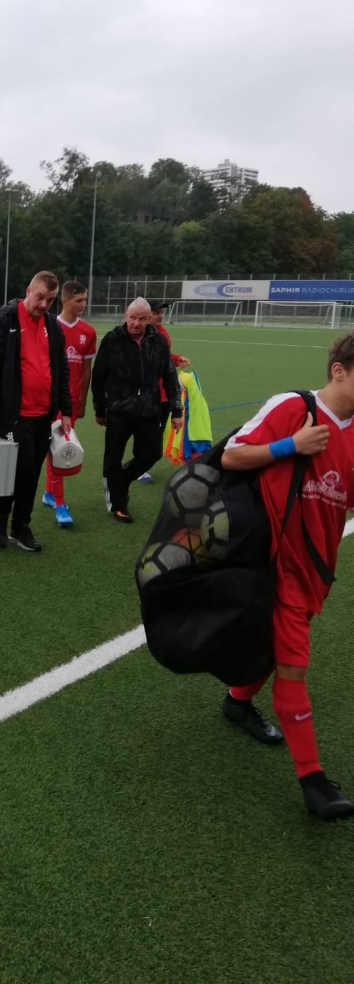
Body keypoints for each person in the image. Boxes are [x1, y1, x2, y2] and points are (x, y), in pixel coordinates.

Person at [219, 333, 354, 821]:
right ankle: (313, 782)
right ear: (339, 370)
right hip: (272, 562)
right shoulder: (295, 407)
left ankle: (237, 701)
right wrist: (290, 446)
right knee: (294, 664)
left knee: (275, 647)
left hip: (316, 569)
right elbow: (231, 456)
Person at [0, 271, 72, 552]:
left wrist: (66, 410)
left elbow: (62, 370)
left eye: (50, 300)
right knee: (21, 466)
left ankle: (20, 527)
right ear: (28, 290)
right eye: (40, 297)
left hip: (44, 414)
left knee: (31, 472)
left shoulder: (53, 326)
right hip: (13, 413)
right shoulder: (4, 320)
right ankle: (0, 515)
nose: (44, 304)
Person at [91, 297, 183, 523]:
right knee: (112, 458)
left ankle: (121, 481)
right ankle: (118, 504)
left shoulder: (158, 341)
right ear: (126, 316)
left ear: (148, 318)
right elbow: (99, 376)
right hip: (119, 410)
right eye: (133, 317)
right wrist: (100, 409)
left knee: (152, 454)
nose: (137, 323)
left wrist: (176, 410)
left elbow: (170, 376)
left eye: (142, 319)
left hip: (149, 410)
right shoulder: (112, 339)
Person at [41, 280, 97, 527]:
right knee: (59, 449)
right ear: (64, 301)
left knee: (57, 446)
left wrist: (82, 400)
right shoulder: (48, 326)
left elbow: (86, 370)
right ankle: (60, 504)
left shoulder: (88, 332)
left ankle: (49, 493)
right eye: (78, 300)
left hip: (71, 401)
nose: (83, 304)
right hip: (47, 400)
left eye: (85, 299)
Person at [137, 299, 191, 485]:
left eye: (161, 312)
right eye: (156, 312)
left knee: (157, 433)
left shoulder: (163, 333)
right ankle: (138, 467)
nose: (160, 315)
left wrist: (177, 359)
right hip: (147, 394)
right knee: (146, 432)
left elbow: (164, 359)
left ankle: (142, 463)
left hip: (164, 393)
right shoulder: (140, 335)